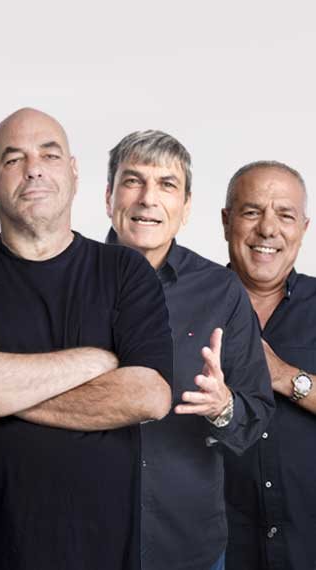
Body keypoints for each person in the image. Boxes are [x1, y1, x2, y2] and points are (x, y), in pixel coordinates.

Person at [0, 108, 174, 570]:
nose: (33, 169)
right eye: (14, 159)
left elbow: (148, 396)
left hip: (101, 554)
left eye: (49, 155)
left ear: (73, 173)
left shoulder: (125, 271)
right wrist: (97, 361)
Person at [104, 131, 274, 570]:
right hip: (83, 539)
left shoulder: (221, 291)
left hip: (188, 546)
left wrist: (223, 407)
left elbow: (255, 415)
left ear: (186, 207)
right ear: (108, 196)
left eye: (167, 184)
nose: (148, 198)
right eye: (133, 181)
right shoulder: (65, 280)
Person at [222, 160, 315, 570]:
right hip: (218, 549)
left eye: (285, 215)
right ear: (226, 221)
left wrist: (283, 375)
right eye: (252, 211)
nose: (268, 229)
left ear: (304, 228)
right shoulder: (188, 305)